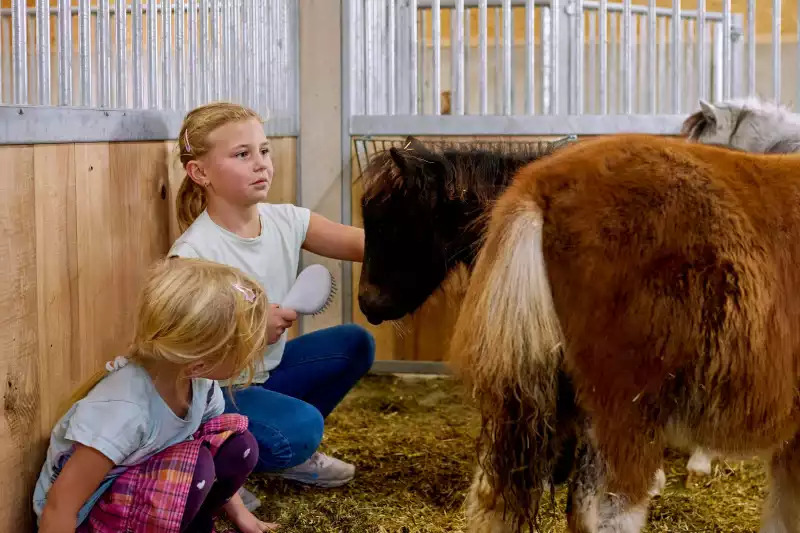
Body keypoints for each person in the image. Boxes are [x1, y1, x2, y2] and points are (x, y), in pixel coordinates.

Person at [167, 102, 375, 499]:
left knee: (355, 343)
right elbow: (184, 364)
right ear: (200, 173)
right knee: (303, 428)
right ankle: (216, 460)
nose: (261, 163)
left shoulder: (286, 220)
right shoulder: (193, 254)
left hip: (267, 372)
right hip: (218, 393)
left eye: (263, 150)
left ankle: (272, 447)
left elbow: (368, 246)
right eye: (242, 155)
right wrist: (251, 333)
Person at [33, 257, 279, 533]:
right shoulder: (124, 413)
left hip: (134, 489)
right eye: (245, 349)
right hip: (84, 519)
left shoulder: (199, 385)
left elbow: (212, 447)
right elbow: (60, 507)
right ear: (198, 364)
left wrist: (239, 512)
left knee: (236, 447)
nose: (251, 355)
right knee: (196, 469)